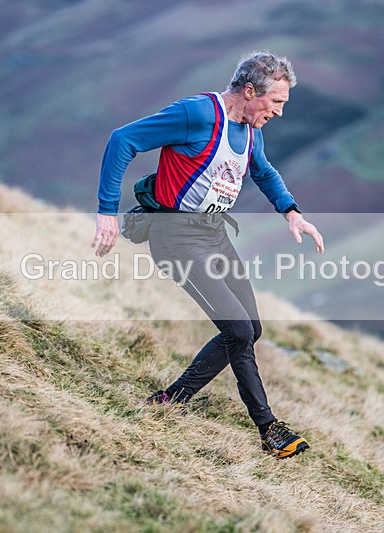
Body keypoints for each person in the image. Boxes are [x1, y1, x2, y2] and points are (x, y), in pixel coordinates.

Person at [91, 51, 324, 459]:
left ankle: (171, 400)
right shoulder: (197, 114)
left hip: (214, 235)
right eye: (276, 102)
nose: (279, 112)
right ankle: (269, 429)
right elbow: (122, 139)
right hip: (176, 238)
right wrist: (106, 211)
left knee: (250, 328)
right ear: (249, 91)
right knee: (238, 332)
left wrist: (291, 211)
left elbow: (263, 171)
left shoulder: (250, 129)